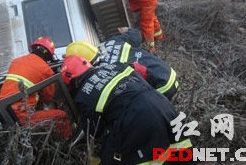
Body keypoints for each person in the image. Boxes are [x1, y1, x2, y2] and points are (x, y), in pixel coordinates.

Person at [60, 55, 192, 165]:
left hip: (134, 119)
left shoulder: (82, 96)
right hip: (160, 102)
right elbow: (146, 73)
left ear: (72, 82)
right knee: (181, 150)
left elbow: (94, 130)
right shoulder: (117, 65)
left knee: (114, 159)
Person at [65, 27, 179, 101]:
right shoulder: (111, 42)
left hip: (161, 88)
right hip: (169, 72)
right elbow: (136, 36)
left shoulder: (102, 70)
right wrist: (127, 30)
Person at [0, 36, 72, 138]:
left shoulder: (16, 61)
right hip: (21, 117)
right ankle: (68, 143)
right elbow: (48, 98)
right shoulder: (45, 69)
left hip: (1, 112)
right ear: (49, 57)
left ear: (33, 48)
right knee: (61, 116)